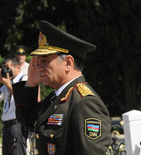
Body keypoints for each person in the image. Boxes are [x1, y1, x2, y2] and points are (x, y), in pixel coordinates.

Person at [12, 20, 111, 155]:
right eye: (39, 61)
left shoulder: (84, 103)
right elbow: (26, 119)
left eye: (45, 61)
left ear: (68, 63)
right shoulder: (57, 97)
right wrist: (31, 83)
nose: (39, 67)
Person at [0, 56, 27, 155]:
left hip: (17, 124)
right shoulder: (8, 82)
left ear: (17, 67)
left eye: (8, 68)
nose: (6, 71)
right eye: (3, 68)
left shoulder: (24, 79)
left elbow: (22, 98)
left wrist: (7, 84)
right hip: (7, 125)